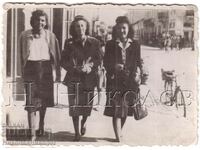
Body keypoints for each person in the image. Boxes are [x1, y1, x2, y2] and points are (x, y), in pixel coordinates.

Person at [17, 10, 61, 140]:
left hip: (46, 69)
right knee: (31, 102)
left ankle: (41, 124)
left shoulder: (51, 36)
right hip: (30, 69)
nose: (40, 23)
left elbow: (57, 56)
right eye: (37, 20)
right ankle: (32, 132)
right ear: (32, 21)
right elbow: (20, 55)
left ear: (45, 22)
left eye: (42, 20)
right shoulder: (24, 35)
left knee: (43, 101)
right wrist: (21, 74)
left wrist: (57, 74)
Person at [60, 15, 102, 141]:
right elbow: (63, 61)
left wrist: (90, 67)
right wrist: (74, 68)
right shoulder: (69, 43)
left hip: (89, 79)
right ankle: (77, 132)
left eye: (82, 25)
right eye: (77, 26)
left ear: (86, 27)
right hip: (74, 78)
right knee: (74, 106)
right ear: (74, 28)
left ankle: (84, 122)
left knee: (86, 107)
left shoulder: (95, 42)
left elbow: (99, 59)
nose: (80, 28)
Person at [103, 16, 141, 142]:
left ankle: (119, 131)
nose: (122, 31)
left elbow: (138, 62)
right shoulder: (110, 44)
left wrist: (138, 73)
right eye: (119, 28)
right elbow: (105, 62)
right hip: (115, 81)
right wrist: (113, 66)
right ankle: (118, 135)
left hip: (130, 82)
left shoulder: (135, 45)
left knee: (126, 110)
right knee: (116, 109)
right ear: (116, 30)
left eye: (124, 28)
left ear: (128, 29)